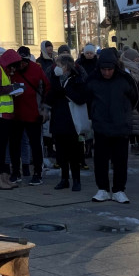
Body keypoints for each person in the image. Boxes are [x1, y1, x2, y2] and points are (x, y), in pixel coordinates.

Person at [84, 48, 139, 203]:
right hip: (101, 125)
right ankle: (102, 189)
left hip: (121, 125)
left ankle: (119, 190)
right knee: (100, 160)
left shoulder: (125, 79)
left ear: (115, 67)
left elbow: (135, 98)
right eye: (104, 69)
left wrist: (124, 113)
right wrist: (94, 115)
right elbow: (87, 99)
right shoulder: (92, 79)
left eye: (109, 69)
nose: (106, 72)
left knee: (120, 160)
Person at [6, 49, 49, 185]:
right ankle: (15, 172)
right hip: (16, 114)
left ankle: (37, 173)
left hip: (33, 114)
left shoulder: (36, 69)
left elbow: (47, 88)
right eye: (19, 61)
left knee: (35, 145)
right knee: (14, 145)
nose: (22, 64)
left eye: (25, 61)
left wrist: (44, 109)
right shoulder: (12, 70)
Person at [46, 49, 87, 192]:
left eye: (59, 65)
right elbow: (50, 97)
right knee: (61, 152)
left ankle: (76, 179)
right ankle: (64, 179)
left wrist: (66, 91)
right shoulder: (55, 79)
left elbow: (81, 98)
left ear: (66, 66)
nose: (56, 68)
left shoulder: (77, 79)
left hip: (72, 120)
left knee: (74, 152)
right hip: (58, 119)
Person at [0, 51, 22, 189]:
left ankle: (3, 177)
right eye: (13, 66)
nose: (14, 70)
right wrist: (12, 88)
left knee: (2, 148)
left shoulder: (3, 71)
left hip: (4, 115)